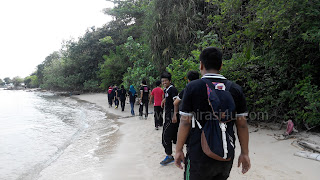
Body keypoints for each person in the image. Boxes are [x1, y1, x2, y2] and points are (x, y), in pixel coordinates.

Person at [174, 47, 251, 180]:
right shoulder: (235, 89)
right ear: (221, 66)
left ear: (201, 65)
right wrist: (245, 153)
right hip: (225, 153)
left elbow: (185, 122)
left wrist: (179, 150)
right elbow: (242, 125)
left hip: (199, 154)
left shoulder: (193, 87)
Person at [160, 72, 179, 166]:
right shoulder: (167, 90)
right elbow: (170, 99)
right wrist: (164, 100)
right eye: (162, 81)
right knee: (174, 137)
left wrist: (175, 115)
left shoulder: (173, 90)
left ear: (170, 81)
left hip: (171, 116)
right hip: (168, 116)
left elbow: (176, 102)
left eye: (165, 81)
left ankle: (169, 156)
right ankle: (181, 156)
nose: (164, 82)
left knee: (165, 137)